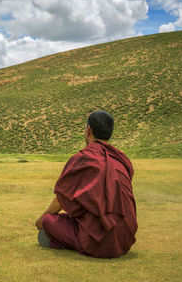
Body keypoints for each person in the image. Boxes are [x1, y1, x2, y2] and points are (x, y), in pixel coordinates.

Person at [34, 110, 137, 258]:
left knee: (49, 220)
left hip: (99, 241)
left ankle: (61, 242)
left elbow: (61, 199)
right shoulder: (121, 160)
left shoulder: (83, 158)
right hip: (125, 239)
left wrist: (41, 220)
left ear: (88, 130)